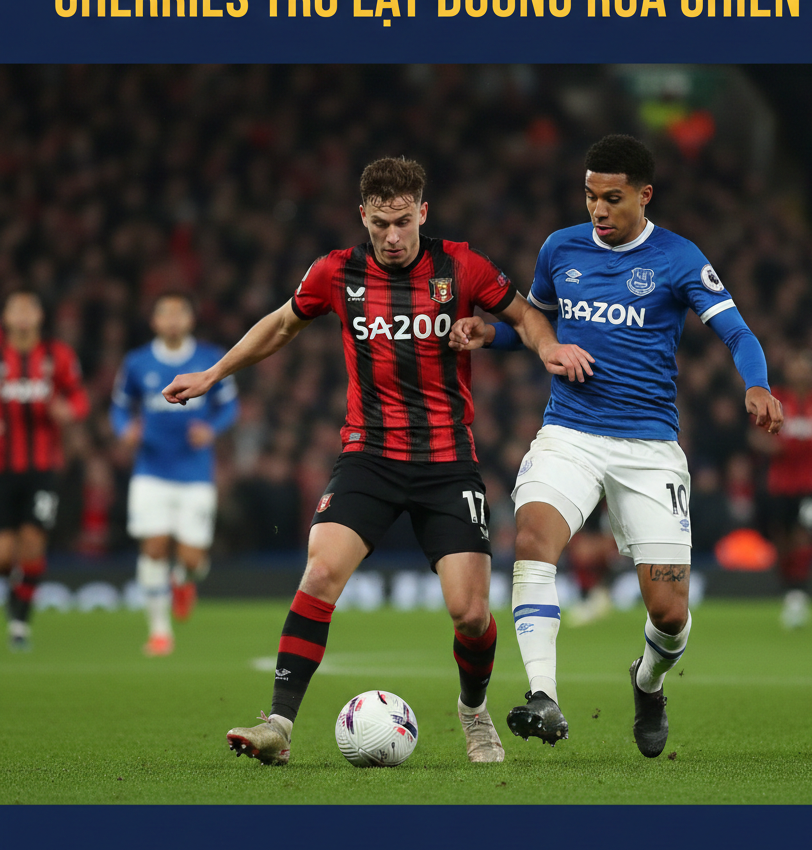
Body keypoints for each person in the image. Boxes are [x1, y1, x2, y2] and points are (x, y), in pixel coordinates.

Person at [162, 157, 591, 766]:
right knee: (319, 574)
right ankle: (279, 724)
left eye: (402, 223)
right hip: (370, 456)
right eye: (380, 224)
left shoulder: (461, 266)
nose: (391, 237)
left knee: (470, 615)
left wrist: (545, 346)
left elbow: (523, 312)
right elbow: (284, 324)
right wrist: (213, 373)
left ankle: (472, 712)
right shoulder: (337, 272)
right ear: (363, 215)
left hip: (447, 461)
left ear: (422, 212)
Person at [450, 134, 783, 757]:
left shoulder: (680, 258)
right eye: (589, 196)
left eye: (611, 198)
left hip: (648, 448)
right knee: (531, 540)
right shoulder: (560, 247)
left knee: (670, 614)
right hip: (569, 432)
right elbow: (537, 326)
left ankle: (647, 681)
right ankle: (543, 695)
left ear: (643, 195)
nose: (597, 210)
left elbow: (738, 333)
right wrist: (488, 332)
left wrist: (758, 385)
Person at [110, 293, 239, 656]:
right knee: (152, 548)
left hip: (195, 471)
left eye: (178, 313)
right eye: (163, 313)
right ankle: (159, 632)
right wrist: (124, 430)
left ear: (189, 319)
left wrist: (211, 429)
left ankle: (184, 580)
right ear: (154, 321)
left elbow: (230, 406)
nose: (171, 319)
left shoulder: (209, 358)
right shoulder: (137, 363)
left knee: (192, 559)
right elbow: (119, 408)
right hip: (150, 468)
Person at [0, 290, 89, 650]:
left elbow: (79, 398)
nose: (22, 314)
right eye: (15, 308)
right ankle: (15, 593)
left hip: (43, 468)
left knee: (33, 546)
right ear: (6, 316)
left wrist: (69, 411)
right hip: (3, 470)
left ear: (38, 316)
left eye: (29, 308)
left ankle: (20, 621)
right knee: (6, 556)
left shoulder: (58, 356)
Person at [752, 348, 812, 622]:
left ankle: (799, 593)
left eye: (805, 367)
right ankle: (788, 589)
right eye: (796, 366)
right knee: (782, 539)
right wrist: (770, 445)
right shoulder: (776, 397)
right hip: (780, 484)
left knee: (806, 534)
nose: (800, 372)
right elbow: (755, 435)